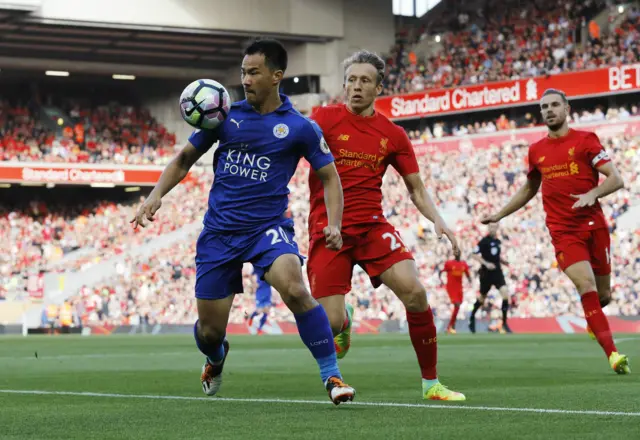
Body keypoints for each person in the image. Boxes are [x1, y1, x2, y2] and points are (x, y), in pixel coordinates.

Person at [131, 38, 357, 404]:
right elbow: (184, 158)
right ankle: (216, 358)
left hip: (268, 228)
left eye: (253, 72)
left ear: (276, 76)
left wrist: (335, 223)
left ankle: (332, 375)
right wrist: (156, 195)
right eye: (242, 72)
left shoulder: (300, 128)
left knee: (296, 288)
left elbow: (331, 177)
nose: (245, 79)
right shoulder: (223, 116)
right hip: (220, 233)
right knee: (209, 331)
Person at [308, 50, 466, 401]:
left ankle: (431, 384)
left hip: (371, 227)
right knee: (329, 323)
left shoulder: (392, 134)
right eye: (351, 80)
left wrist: (438, 220)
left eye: (365, 80)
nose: (356, 87)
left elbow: (416, 189)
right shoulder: (323, 119)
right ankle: (344, 322)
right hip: (328, 231)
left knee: (416, 292)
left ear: (378, 87)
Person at [481, 88, 630, 374]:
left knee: (604, 296)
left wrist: (593, 194)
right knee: (584, 284)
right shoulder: (536, 150)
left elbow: (616, 179)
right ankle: (612, 355)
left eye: (553, 105)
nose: (548, 110)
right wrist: (500, 213)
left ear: (566, 108)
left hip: (594, 226)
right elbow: (529, 188)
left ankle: (592, 319)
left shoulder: (586, 141)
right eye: (544, 107)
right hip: (563, 231)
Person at [469, 223, 512, 334]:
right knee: (482, 298)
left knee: (505, 293)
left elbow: (496, 256)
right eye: (491, 227)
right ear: (488, 228)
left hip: (497, 273)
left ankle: (504, 323)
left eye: (494, 227)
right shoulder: (484, 241)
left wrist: (504, 262)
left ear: (497, 227)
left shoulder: (498, 241)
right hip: (486, 274)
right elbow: (473, 254)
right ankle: (472, 317)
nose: (493, 228)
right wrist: (486, 263)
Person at [440, 254, 471, 334]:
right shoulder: (449, 263)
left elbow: (467, 274)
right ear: (454, 254)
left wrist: (470, 281)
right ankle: (451, 326)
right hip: (451, 288)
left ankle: (451, 326)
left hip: (459, 288)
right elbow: (442, 271)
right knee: (457, 305)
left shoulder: (463, 264)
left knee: (458, 306)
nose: (458, 253)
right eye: (456, 252)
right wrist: (441, 281)